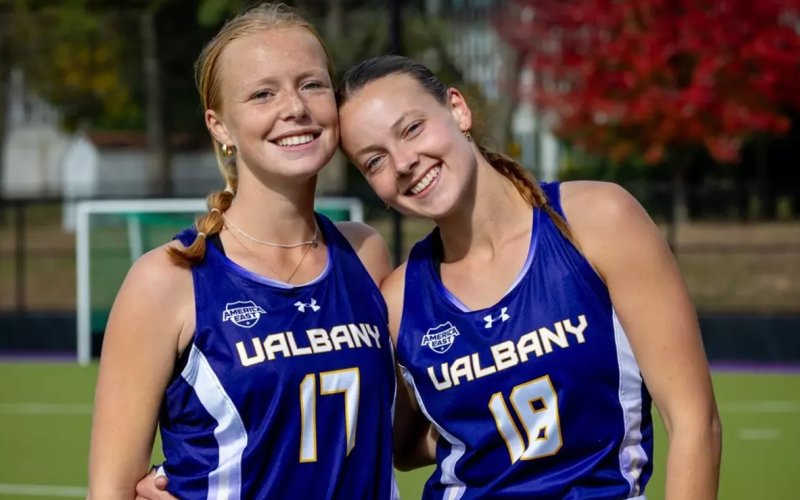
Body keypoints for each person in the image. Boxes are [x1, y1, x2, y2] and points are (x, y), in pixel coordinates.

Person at [334, 55, 722, 499]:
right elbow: (401, 446)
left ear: (457, 109)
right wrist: (496, 425)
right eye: (375, 161)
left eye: (412, 128)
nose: (402, 162)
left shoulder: (597, 222)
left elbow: (695, 421)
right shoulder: (400, 300)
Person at [88, 4, 398, 499]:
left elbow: (414, 432)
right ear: (220, 126)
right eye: (262, 94)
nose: (294, 107)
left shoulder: (366, 254)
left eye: (312, 84)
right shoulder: (167, 280)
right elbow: (107, 492)